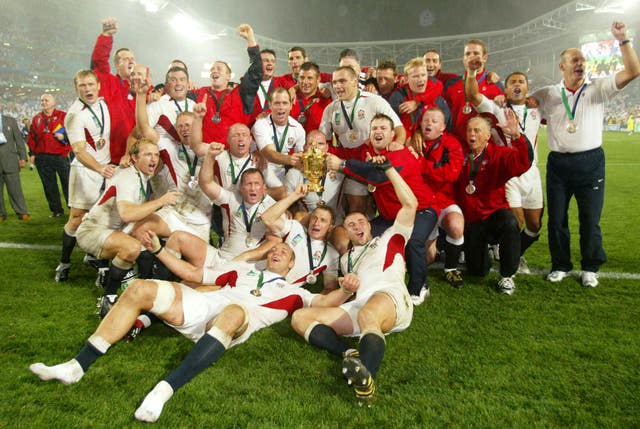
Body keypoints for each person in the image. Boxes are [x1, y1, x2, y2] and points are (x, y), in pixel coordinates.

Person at [30, 241, 358, 423]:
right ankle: (76, 367)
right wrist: (159, 249)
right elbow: (189, 272)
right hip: (204, 307)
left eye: (284, 253)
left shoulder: (296, 291)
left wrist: (345, 288)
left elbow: (326, 299)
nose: (276, 252)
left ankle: (163, 391)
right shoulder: (240, 268)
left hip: (237, 319)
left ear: (291, 266)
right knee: (140, 289)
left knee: (232, 312)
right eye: (273, 249)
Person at [291, 155, 418, 403]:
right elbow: (343, 293)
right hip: (360, 305)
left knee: (368, 314)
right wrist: (346, 290)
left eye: (361, 221)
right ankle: (349, 352)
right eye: (350, 224)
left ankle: (366, 380)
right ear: (345, 232)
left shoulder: (390, 238)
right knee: (300, 318)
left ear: (370, 227)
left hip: (388, 299)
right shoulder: (346, 259)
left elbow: (411, 205)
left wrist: (389, 170)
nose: (357, 225)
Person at [530, 21, 640, 287]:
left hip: (590, 162)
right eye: (574, 59)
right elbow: (523, 101)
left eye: (582, 59)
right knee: (556, 220)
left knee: (590, 220)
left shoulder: (598, 88)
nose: (580, 63)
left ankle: (590, 266)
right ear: (562, 66)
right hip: (558, 164)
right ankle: (561, 265)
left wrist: (623, 39)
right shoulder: (548, 94)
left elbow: (633, 71)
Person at [326, 113, 438, 305]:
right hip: (388, 216)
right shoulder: (368, 150)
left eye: (383, 128)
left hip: (421, 211)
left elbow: (378, 177)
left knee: (412, 243)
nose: (378, 132)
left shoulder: (400, 153)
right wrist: (322, 148)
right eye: (374, 128)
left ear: (392, 134)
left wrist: (343, 165)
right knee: (362, 236)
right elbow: (349, 154)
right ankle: (363, 280)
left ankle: (419, 287)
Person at [75, 138, 179, 316]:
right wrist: (161, 201)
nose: (153, 159)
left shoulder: (140, 177)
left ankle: (138, 287)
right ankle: (109, 297)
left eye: (156, 154)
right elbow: (127, 214)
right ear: (134, 159)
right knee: (132, 248)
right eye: (147, 154)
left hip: (112, 230)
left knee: (147, 234)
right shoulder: (128, 177)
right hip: (92, 230)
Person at [465, 70, 543, 274]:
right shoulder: (497, 107)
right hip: (507, 171)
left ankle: (514, 253)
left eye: (521, 81)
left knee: (534, 225)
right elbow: (473, 96)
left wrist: (536, 100)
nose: (517, 85)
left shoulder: (538, 108)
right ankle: (510, 262)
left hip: (531, 172)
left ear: (527, 87)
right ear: (505, 88)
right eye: (512, 82)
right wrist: (472, 73)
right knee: (514, 222)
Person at [456, 114, 532, 294]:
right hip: (472, 220)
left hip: (493, 214)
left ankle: (507, 276)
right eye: (469, 130)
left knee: (510, 223)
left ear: (488, 135)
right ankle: (483, 254)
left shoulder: (499, 154)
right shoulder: (460, 154)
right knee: (477, 272)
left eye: (477, 130)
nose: (472, 134)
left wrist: (517, 137)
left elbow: (523, 163)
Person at [54, 70, 114, 283]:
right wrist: (100, 168)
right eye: (82, 85)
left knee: (105, 218)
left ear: (98, 85)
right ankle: (64, 262)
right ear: (76, 88)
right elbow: (79, 150)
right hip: (86, 171)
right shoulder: (74, 114)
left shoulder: (104, 103)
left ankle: (101, 266)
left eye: (90, 84)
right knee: (77, 217)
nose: (87, 89)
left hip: (105, 168)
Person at [320, 66, 404, 215]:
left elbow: (399, 129)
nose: (338, 86)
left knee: (371, 208)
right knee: (346, 208)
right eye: (335, 82)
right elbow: (323, 141)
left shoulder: (374, 101)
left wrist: (397, 145)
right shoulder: (330, 109)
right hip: (347, 162)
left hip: (372, 162)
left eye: (342, 81)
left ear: (355, 80)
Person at [198, 142, 283, 262]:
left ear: (264, 188)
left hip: (256, 265)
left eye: (257, 184)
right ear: (241, 187)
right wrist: (210, 157)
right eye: (249, 184)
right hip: (226, 258)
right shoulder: (231, 198)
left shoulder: (274, 207)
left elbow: (280, 238)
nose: (253, 188)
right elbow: (206, 184)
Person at [412, 107, 466, 288]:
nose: (429, 123)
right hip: (423, 204)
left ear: (443, 127)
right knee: (427, 259)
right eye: (426, 120)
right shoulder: (413, 141)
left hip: (444, 201)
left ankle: (451, 268)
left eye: (434, 121)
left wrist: (421, 166)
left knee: (456, 226)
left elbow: (451, 173)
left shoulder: (452, 144)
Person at [261, 183, 340, 292]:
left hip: (286, 291)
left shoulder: (332, 254)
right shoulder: (296, 228)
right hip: (265, 278)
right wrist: (294, 196)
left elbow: (330, 287)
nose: (316, 223)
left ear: (330, 227)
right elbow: (267, 218)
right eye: (314, 218)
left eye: (323, 220)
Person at [193, 24, 262, 148]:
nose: (214, 71)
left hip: (233, 156)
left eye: (219, 69)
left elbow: (255, 72)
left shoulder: (240, 94)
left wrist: (250, 40)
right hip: (206, 155)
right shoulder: (199, 93)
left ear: (229, 76)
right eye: (212, 69)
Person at [90, 17, 137, 165]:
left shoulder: (143, 89)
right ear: (116, 64)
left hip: (137, 156)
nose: (130, 61)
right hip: (112, 157)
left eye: (132, 59)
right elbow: (99, 61)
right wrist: (106, 37)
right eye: (125, 59)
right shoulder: (108, 82)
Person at [443, 39, 504, 141]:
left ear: (484, 58)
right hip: (459, 144)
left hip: (486, 146)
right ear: (463, 59)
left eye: (476, 53)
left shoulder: (495, 85)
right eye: (467, 54)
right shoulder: (451, 85)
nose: (471, 56)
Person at [252, 87, 305, 200]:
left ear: (291, 105)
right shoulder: (261, 124)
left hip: (282, 171)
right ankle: (252, 196)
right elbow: (268, 153)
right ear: (270, 105)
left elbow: (300, 156)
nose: (281, 107)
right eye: (276, 103)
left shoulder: (298, 128)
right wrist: (290, 160)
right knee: (282, 193)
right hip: (262, 167)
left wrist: (300, 160)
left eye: (285, 103)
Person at [26, 93, 71, 218]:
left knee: (67, 183)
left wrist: (65, 137)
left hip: (60, 156)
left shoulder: (63, 116)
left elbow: (74, 132)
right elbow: (31, 138)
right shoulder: (37, 118)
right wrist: (32, 154)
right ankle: (56, 210)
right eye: (42, 100)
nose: (43, 102)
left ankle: (72, 208)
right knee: (49, 185)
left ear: (53, 102)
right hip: (42, 157)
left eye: (46, 100)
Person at [389, 57, 449, 141]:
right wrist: (407, 138)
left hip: (433, 142)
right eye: (415, 76)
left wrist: (417, 102)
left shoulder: (438, 98)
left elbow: (444, 126)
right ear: (406, 79)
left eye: (423, 75)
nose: (421, 79)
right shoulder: (398, 97)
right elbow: (393, 125)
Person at [0, 101, 29, 222]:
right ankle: (1, 214)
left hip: (10, 160)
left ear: (1, 106)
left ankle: (22, 211)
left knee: (15, 189)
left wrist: (23, 157)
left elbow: (19, 141)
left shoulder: (10, 121)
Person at [289, 62, 332, 134]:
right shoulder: (289, 97)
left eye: (310, 78)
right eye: (302, 77)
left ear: (318, 79)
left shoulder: (327, 100)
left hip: (316, 144)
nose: (305, 82)